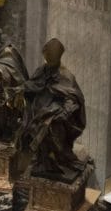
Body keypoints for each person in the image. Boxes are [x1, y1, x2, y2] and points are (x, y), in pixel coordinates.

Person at [16, 37, 86, 175]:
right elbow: (34, 84)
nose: (49, 62)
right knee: (33, 124)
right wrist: (21, 88)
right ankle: (42, 161)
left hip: (57, 112)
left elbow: (74, 98)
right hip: (39, 109)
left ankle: (60, 159)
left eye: (51, 59)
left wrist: (65, 111)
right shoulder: (42, 70)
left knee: (50, 127)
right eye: (47, 58)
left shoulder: (66, 76)